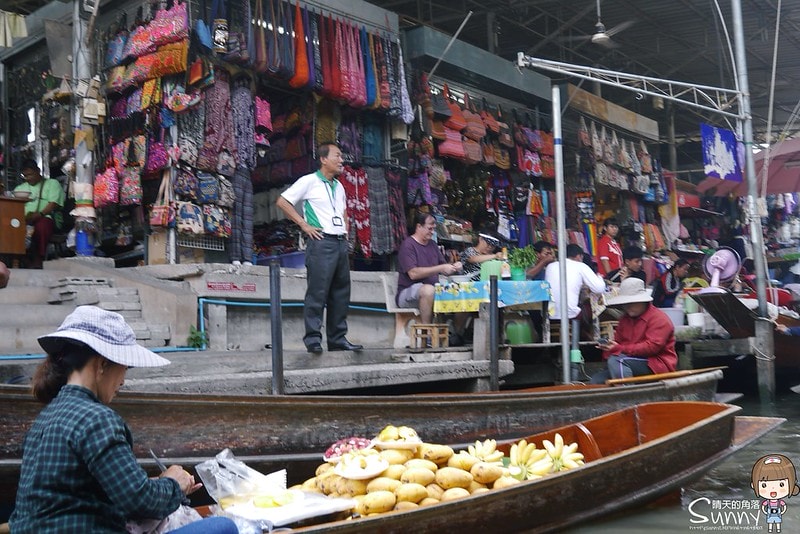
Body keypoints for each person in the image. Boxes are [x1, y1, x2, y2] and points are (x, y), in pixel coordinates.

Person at [10, 306, 239, 534]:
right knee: (223, 526)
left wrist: (156, 483)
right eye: (125, 368)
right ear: (102, 364)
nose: (123, 381)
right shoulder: (97, 419)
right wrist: (175, 484)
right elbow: (139, 501)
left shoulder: (46, 417)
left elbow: (95, 490)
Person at [276, 143, 362, 354]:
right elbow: (282, 201)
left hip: (340, 242)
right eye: (337, 156)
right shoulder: (309, 181)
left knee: (341, 292)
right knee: (318, 292)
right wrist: (304, 225)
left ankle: (337, 338)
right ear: (324, 159)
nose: (342, 160)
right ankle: (313, 338)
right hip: (321, 241)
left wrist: (346, 233)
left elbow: (343, 213)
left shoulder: (339, 186)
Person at [590, 277, 677, 384]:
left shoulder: (659, 319)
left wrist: (619, 348)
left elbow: (652, 347)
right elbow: (618, 344)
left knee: (617, 361)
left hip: (656, 365)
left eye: (632, 303)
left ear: (643, 301)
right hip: (629, 360)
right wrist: (609, 348)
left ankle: (628, 396)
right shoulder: (624, 320)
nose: (627, 307)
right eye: (626, 303)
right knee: (596, 380)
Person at [545, 244, 607, 380]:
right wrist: (599, 277)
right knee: (593, 305)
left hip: (551, 315)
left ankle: (583, 339)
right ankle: (590, 341)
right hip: (571, 315)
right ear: (579, 256)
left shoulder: (550, 266)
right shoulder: (581, 266)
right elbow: (598, 288)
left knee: (578, 307)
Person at [396, 212, 463, 324]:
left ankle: (456, 334)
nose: (432, 232)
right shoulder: (408, 245)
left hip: (433, 290)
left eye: (433, 229)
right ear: (418, 226)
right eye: (429, 229)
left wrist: (454, 267)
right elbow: (413, 273)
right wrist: (440, 268)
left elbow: (444, 268)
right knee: (428, 290)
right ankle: (427, 333)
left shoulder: (432, 244)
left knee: (461, 291)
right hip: (407, 294)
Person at [14, 159, 65, 269]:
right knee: (11, 227)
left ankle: (39, 258)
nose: (28, 178)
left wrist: (40, 214)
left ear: (38, 171)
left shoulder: (52, 184)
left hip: (45, 217)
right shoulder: (20, 189)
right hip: (24, 219)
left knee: (41, 227)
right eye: (25, 176)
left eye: (31, 174)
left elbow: (53, 204)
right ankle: (20, 258)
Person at [750, 454, 799, 533]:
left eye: (781, 484)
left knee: (776, 522)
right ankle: (772, 529)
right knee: (772, 522)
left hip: (775, 513)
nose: (773, 489)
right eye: (764, 485)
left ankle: (775, 529)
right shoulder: (773, 501)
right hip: (771, 513)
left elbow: (782, 506)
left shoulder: (777, 501)